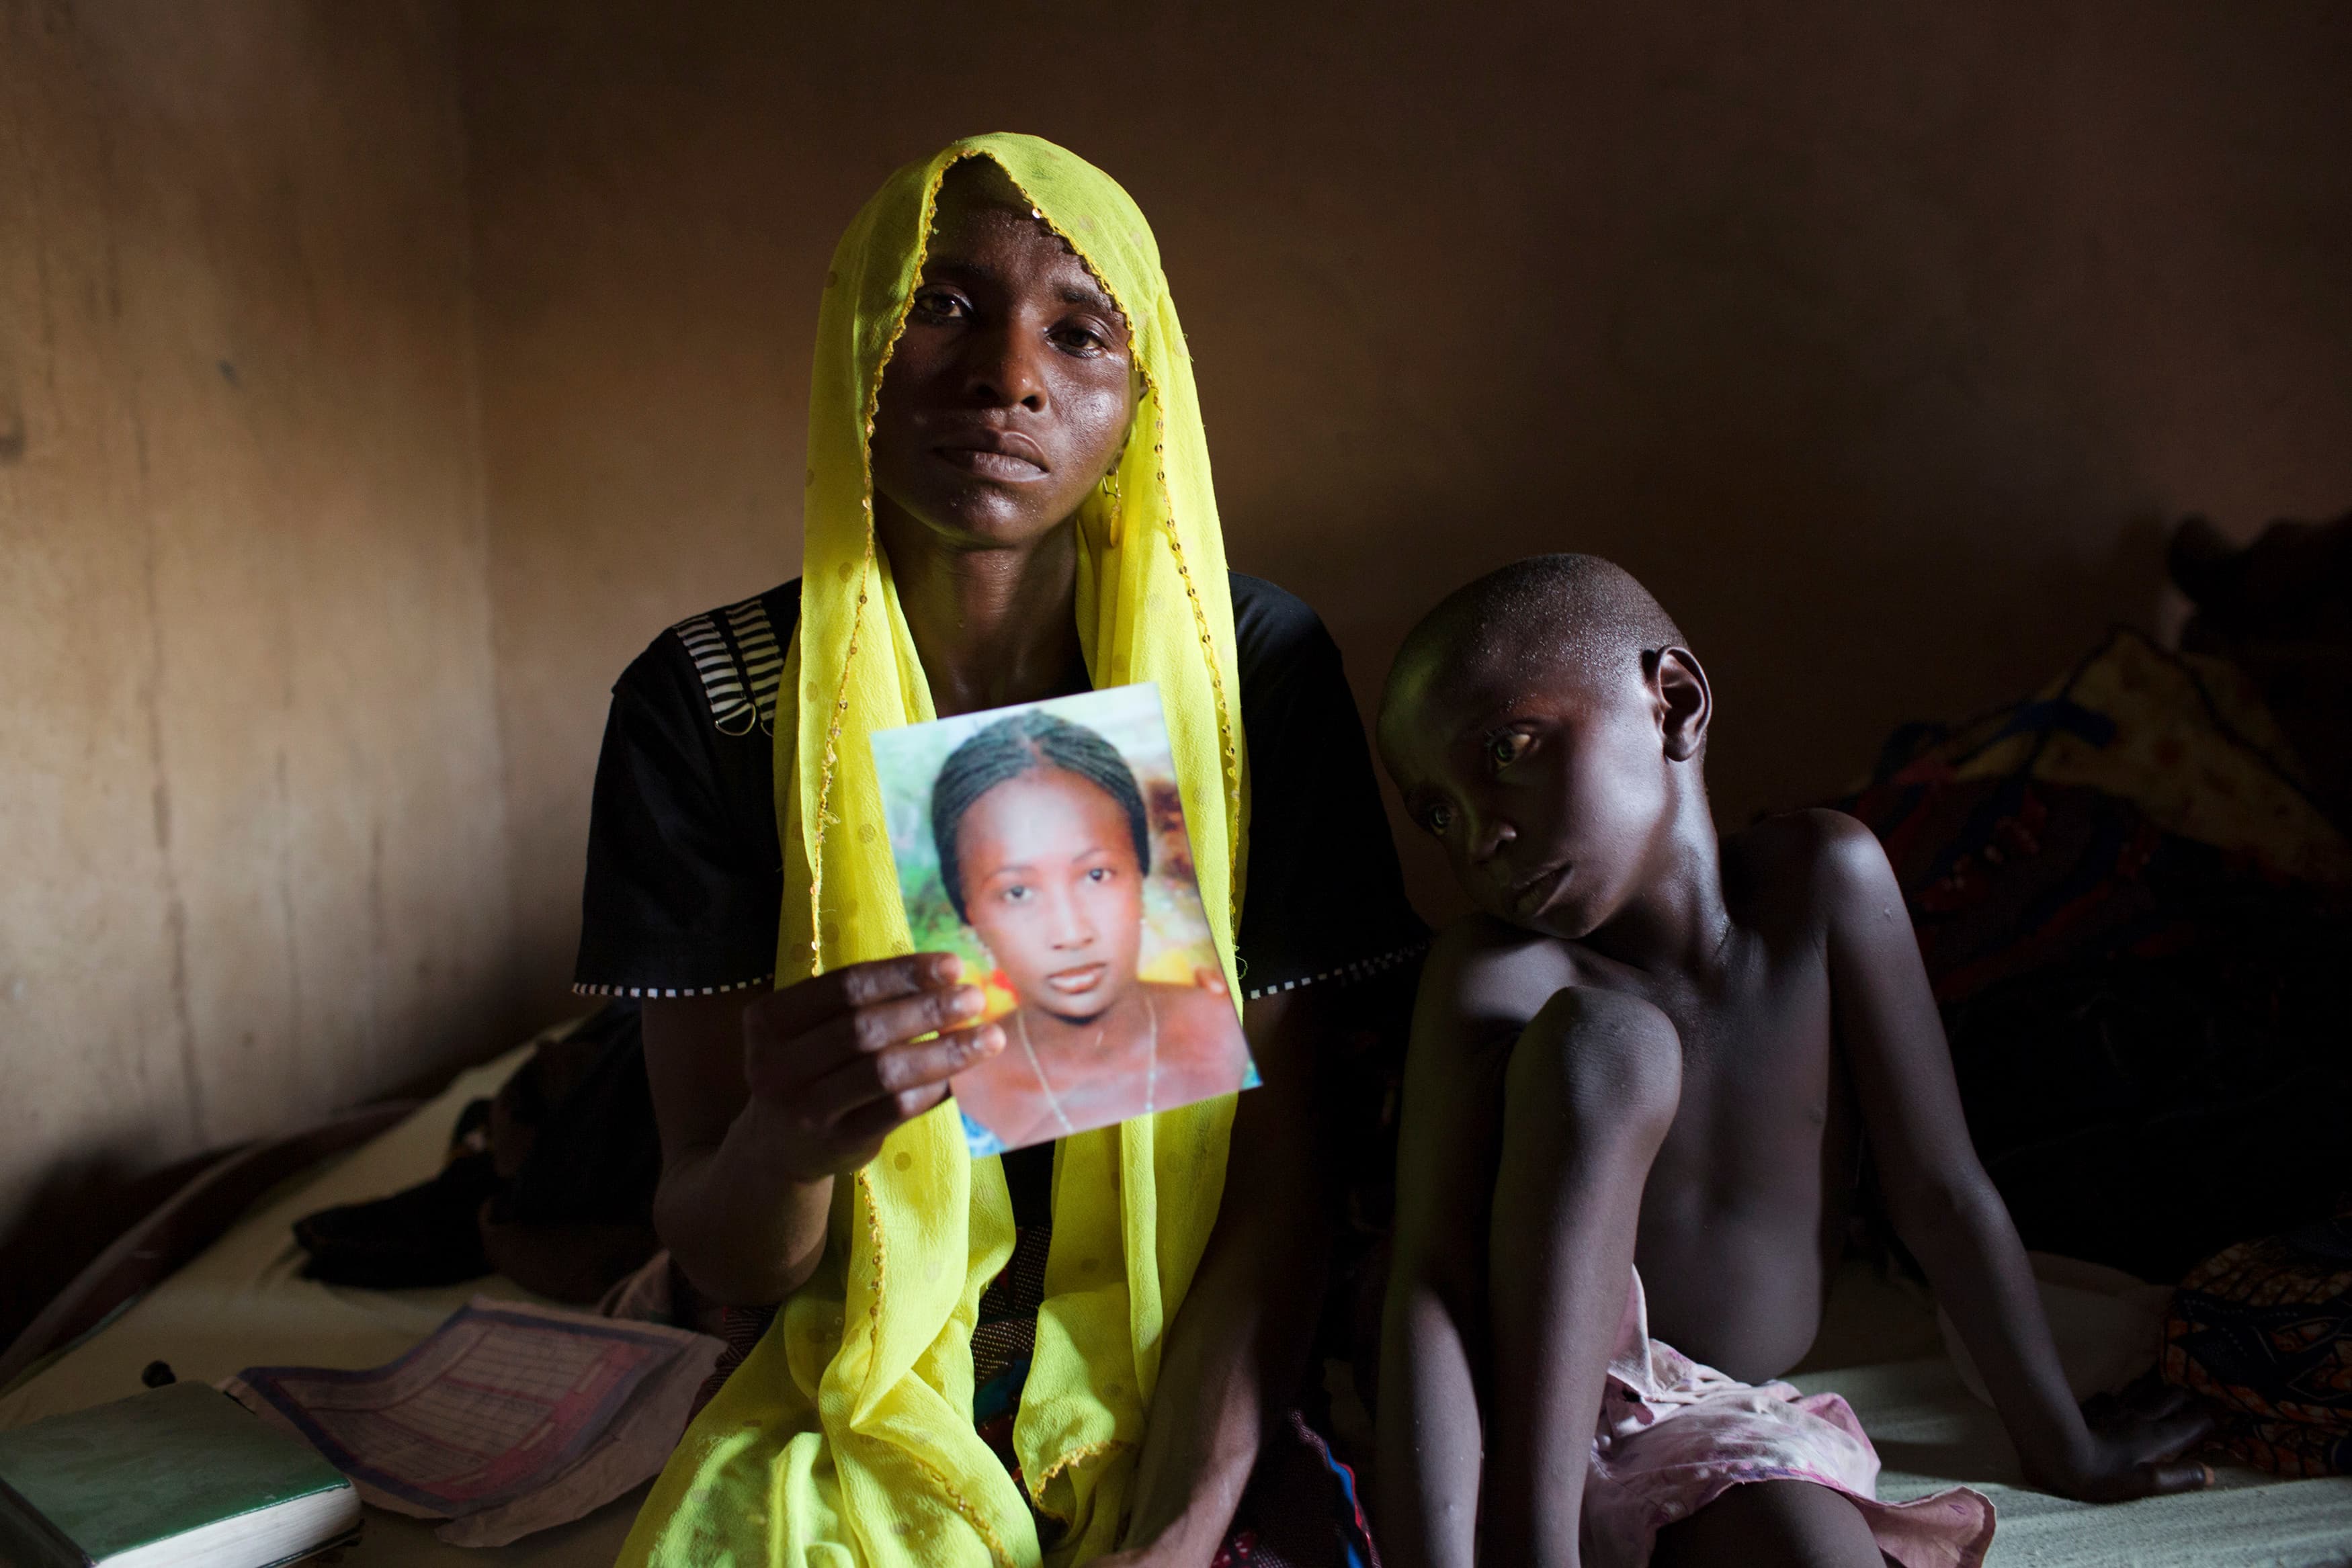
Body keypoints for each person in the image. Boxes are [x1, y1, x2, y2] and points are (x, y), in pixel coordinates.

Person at [573, 134, 1423, 1567]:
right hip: (856, 1335)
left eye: (1078, 332)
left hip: (1187, 1332)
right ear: (856, 342)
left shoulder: (1240, 677)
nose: (1007, 377)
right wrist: (788, 1142)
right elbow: (723, 1247)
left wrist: (1175, 1532)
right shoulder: (710, 703)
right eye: (943, 306)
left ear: (1144, 397)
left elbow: (1280, 1185)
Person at [1372, 554, 2215, 1568]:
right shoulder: (1497, 973)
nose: (1482, 835)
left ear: (1672, 702)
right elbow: (1431, 1285)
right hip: (1505, 1439)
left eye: (1508, 749)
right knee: (1610, 1042)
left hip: (1700, 1418)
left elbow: (1942, 1192)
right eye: (1437, 813)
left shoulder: (1824, 885)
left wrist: (2063, 1443)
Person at [930, 709, 1253, 1153]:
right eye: (1018, 892)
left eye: (1097, 875)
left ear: (1141, 876)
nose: (1070, 933)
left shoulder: (1225, 1030)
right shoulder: (950, 1084)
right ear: (970, 915)